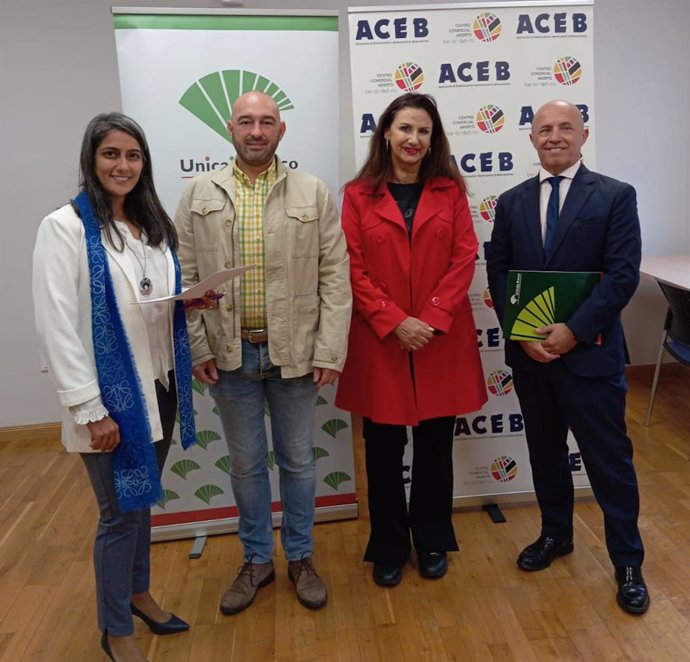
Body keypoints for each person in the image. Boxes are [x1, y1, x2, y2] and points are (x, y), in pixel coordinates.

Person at [174, 91, 352, 614]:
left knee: (298, 461)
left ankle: (300, 556)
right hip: (230, 356)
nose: (256, 130)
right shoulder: (198, 193)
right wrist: (198, 346)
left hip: (293, 354)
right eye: (247, 121)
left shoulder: (312, 192)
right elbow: (185, 277)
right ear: (230, 128)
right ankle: (256, 560)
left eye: (266, 122)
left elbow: (335, 278)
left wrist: (329, 349)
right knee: (247, 465)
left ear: (281, 131)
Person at [32, 112, 197, 662]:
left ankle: (139, 594)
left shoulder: (148, 226)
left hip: (160, 387)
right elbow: (57, 325)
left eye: (133, 155)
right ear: (91, 159)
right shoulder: (65, 228)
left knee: (141, 503)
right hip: (109, 402)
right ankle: (116, 628)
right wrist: (90, 409)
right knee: (118, 515)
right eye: (111, 155)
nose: (123, 166)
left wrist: (187, 300)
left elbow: (147, 299)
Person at [486, 100, 649, 614]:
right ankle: (556, 534)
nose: (554, 137)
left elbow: (622, 275)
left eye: (565, 128)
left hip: (591, 358)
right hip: (532, 356)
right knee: (546, 453)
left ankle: (627, 560)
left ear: (583, 134)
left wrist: (573, 332)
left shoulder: (615, 196)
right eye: (544, 130)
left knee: (609, 461)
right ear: (532, 139)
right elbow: (499, 272)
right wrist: (522, 333)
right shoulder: (511, 203)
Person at [335, 92, 488, 587]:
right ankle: (389, 545)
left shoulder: (450, 191)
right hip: (381, 341)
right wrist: (394, 319)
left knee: (435, 448)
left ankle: (432, 539)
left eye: (423, 131)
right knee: (381, 450)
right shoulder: (357, 195)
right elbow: (350, 267)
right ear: (386, 133)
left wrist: (431, 317)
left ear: (433, 138)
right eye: (405, 129)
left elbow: (464, 258)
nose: (413, 139)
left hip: (438, 340)